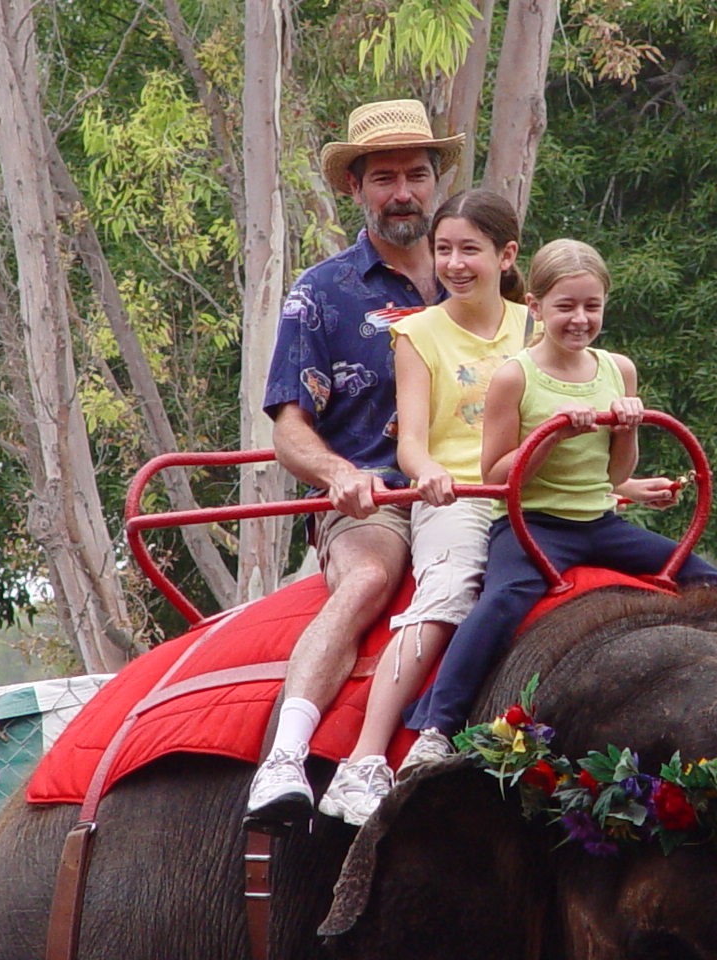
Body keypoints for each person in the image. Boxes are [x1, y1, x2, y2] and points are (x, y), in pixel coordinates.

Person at [400, 239, 717, 763]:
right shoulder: (516, 376)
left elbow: (617, 474)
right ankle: (436, 727)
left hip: (598, 522)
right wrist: (553, 435)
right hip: (532, 526)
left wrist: (627, 428)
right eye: (565, 306)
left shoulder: (616, 369)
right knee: (501, 603)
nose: (580, 319)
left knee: (705, 576)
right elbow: (497, 473)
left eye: (591, 306)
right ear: (535, 307)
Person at [245, 99, 464, 826]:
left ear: (438, 181)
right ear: (356, 188)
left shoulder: (476, 277)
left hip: (477, 489)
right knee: (371, 575)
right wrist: (342, 476)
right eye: (385, 178)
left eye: (417, 175)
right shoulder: (323, 293)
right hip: (381, 502)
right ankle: (286, 759)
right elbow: (289, 431)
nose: (403, 193)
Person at [316, 190, 529, 824]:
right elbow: (409, 443)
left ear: (507, 256)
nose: (455, 264)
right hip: (458, 492)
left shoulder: (536, 327)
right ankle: (365, 758)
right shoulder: (417, 333)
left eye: (470, 250)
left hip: (531, 491)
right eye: (444, 250)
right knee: (451, 586)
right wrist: (431, 472)